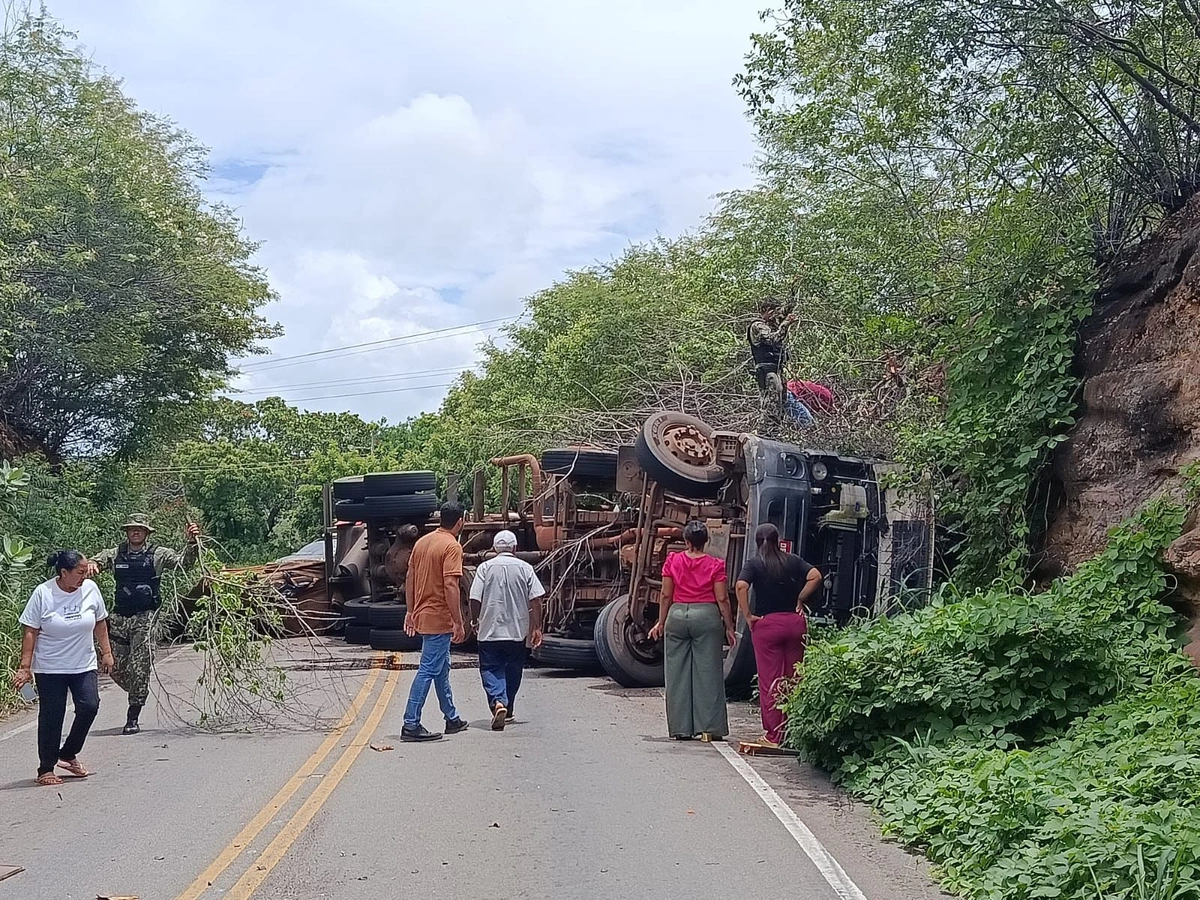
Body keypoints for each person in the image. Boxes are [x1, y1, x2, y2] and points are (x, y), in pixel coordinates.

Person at [87, 514, 200, 735]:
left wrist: (192, 543)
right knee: (113, 666)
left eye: (140, 529)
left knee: (140, 666)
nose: (135, 532)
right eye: (131, 529)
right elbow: (95, 562)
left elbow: (183, 564)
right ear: (127, 532)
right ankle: (138, 689)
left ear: (147, 532)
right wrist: (92, 564)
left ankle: (133, 715)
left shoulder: (158, 554)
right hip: (120, 618)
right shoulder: (116, 553)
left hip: (146, 619)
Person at [13, 550, 114, 786]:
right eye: (79, 573)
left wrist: (107, 653)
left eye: (85, 572)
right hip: (51, 667)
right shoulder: (43, 593)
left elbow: (100, 621)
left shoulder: (90, 589)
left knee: (90, 706)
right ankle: (46, 769)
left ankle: (68, 754)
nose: (83, 577)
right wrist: (24, 667)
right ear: (63, 572)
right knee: (52, 715)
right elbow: (30, 630)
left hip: (83, 663)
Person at [734, 524, 823, 747]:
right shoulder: (792, 560)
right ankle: (794, 733)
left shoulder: (754, 563)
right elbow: (816, 576)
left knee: (771, 682)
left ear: (757, 542)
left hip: (768, 626)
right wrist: (800, 598)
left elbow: (741, 586)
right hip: (794, 623)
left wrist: (748, 615)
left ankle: (774, 737)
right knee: (794, 680)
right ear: (778, 540)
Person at [648, 520, 736, 741]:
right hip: (706, 616)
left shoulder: (673, 561)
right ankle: (709, 728)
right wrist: (729, 627)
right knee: (708, 672)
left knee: (676, 674)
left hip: (677, 615)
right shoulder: (715, 565)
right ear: (706, 541)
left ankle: (680, 728)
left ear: (686, 541)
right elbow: (722, 598)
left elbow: (666, 594)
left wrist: (661, 622)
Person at [401, 502, 471, 742]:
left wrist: (410, 611)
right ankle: (411, 723)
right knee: (428, 669)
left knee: (441, 669)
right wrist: (458, 621)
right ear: (460, 521)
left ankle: (452, 717)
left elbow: (409, 577)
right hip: (439, 617)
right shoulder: (452, 546)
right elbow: (451, 584)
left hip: (423, 614)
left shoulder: (422, 542)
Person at [468, 530, 545, 731]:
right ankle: (508, 706)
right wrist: (537, 627)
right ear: (515, 548)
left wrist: (475, 621)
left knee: (491, 668)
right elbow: (536, 599)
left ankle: (498, 702)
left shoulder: (484, 568)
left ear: (493, 548)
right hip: (516, 630)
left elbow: (474, 598)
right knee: (513, 669)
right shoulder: (525, 568)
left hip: (489, 630)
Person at [747, 298, 797, 414]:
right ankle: (764, 432)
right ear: (767, 311)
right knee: (771, 407)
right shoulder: (757, 325)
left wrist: (794, 289)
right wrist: (785, 324)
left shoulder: (770, 324)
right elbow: (773, 339)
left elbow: (785, 310)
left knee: (780, 406)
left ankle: (775, 431)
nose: (776, 317)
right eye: (774, 313)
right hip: (767, 372)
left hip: (776, 370)